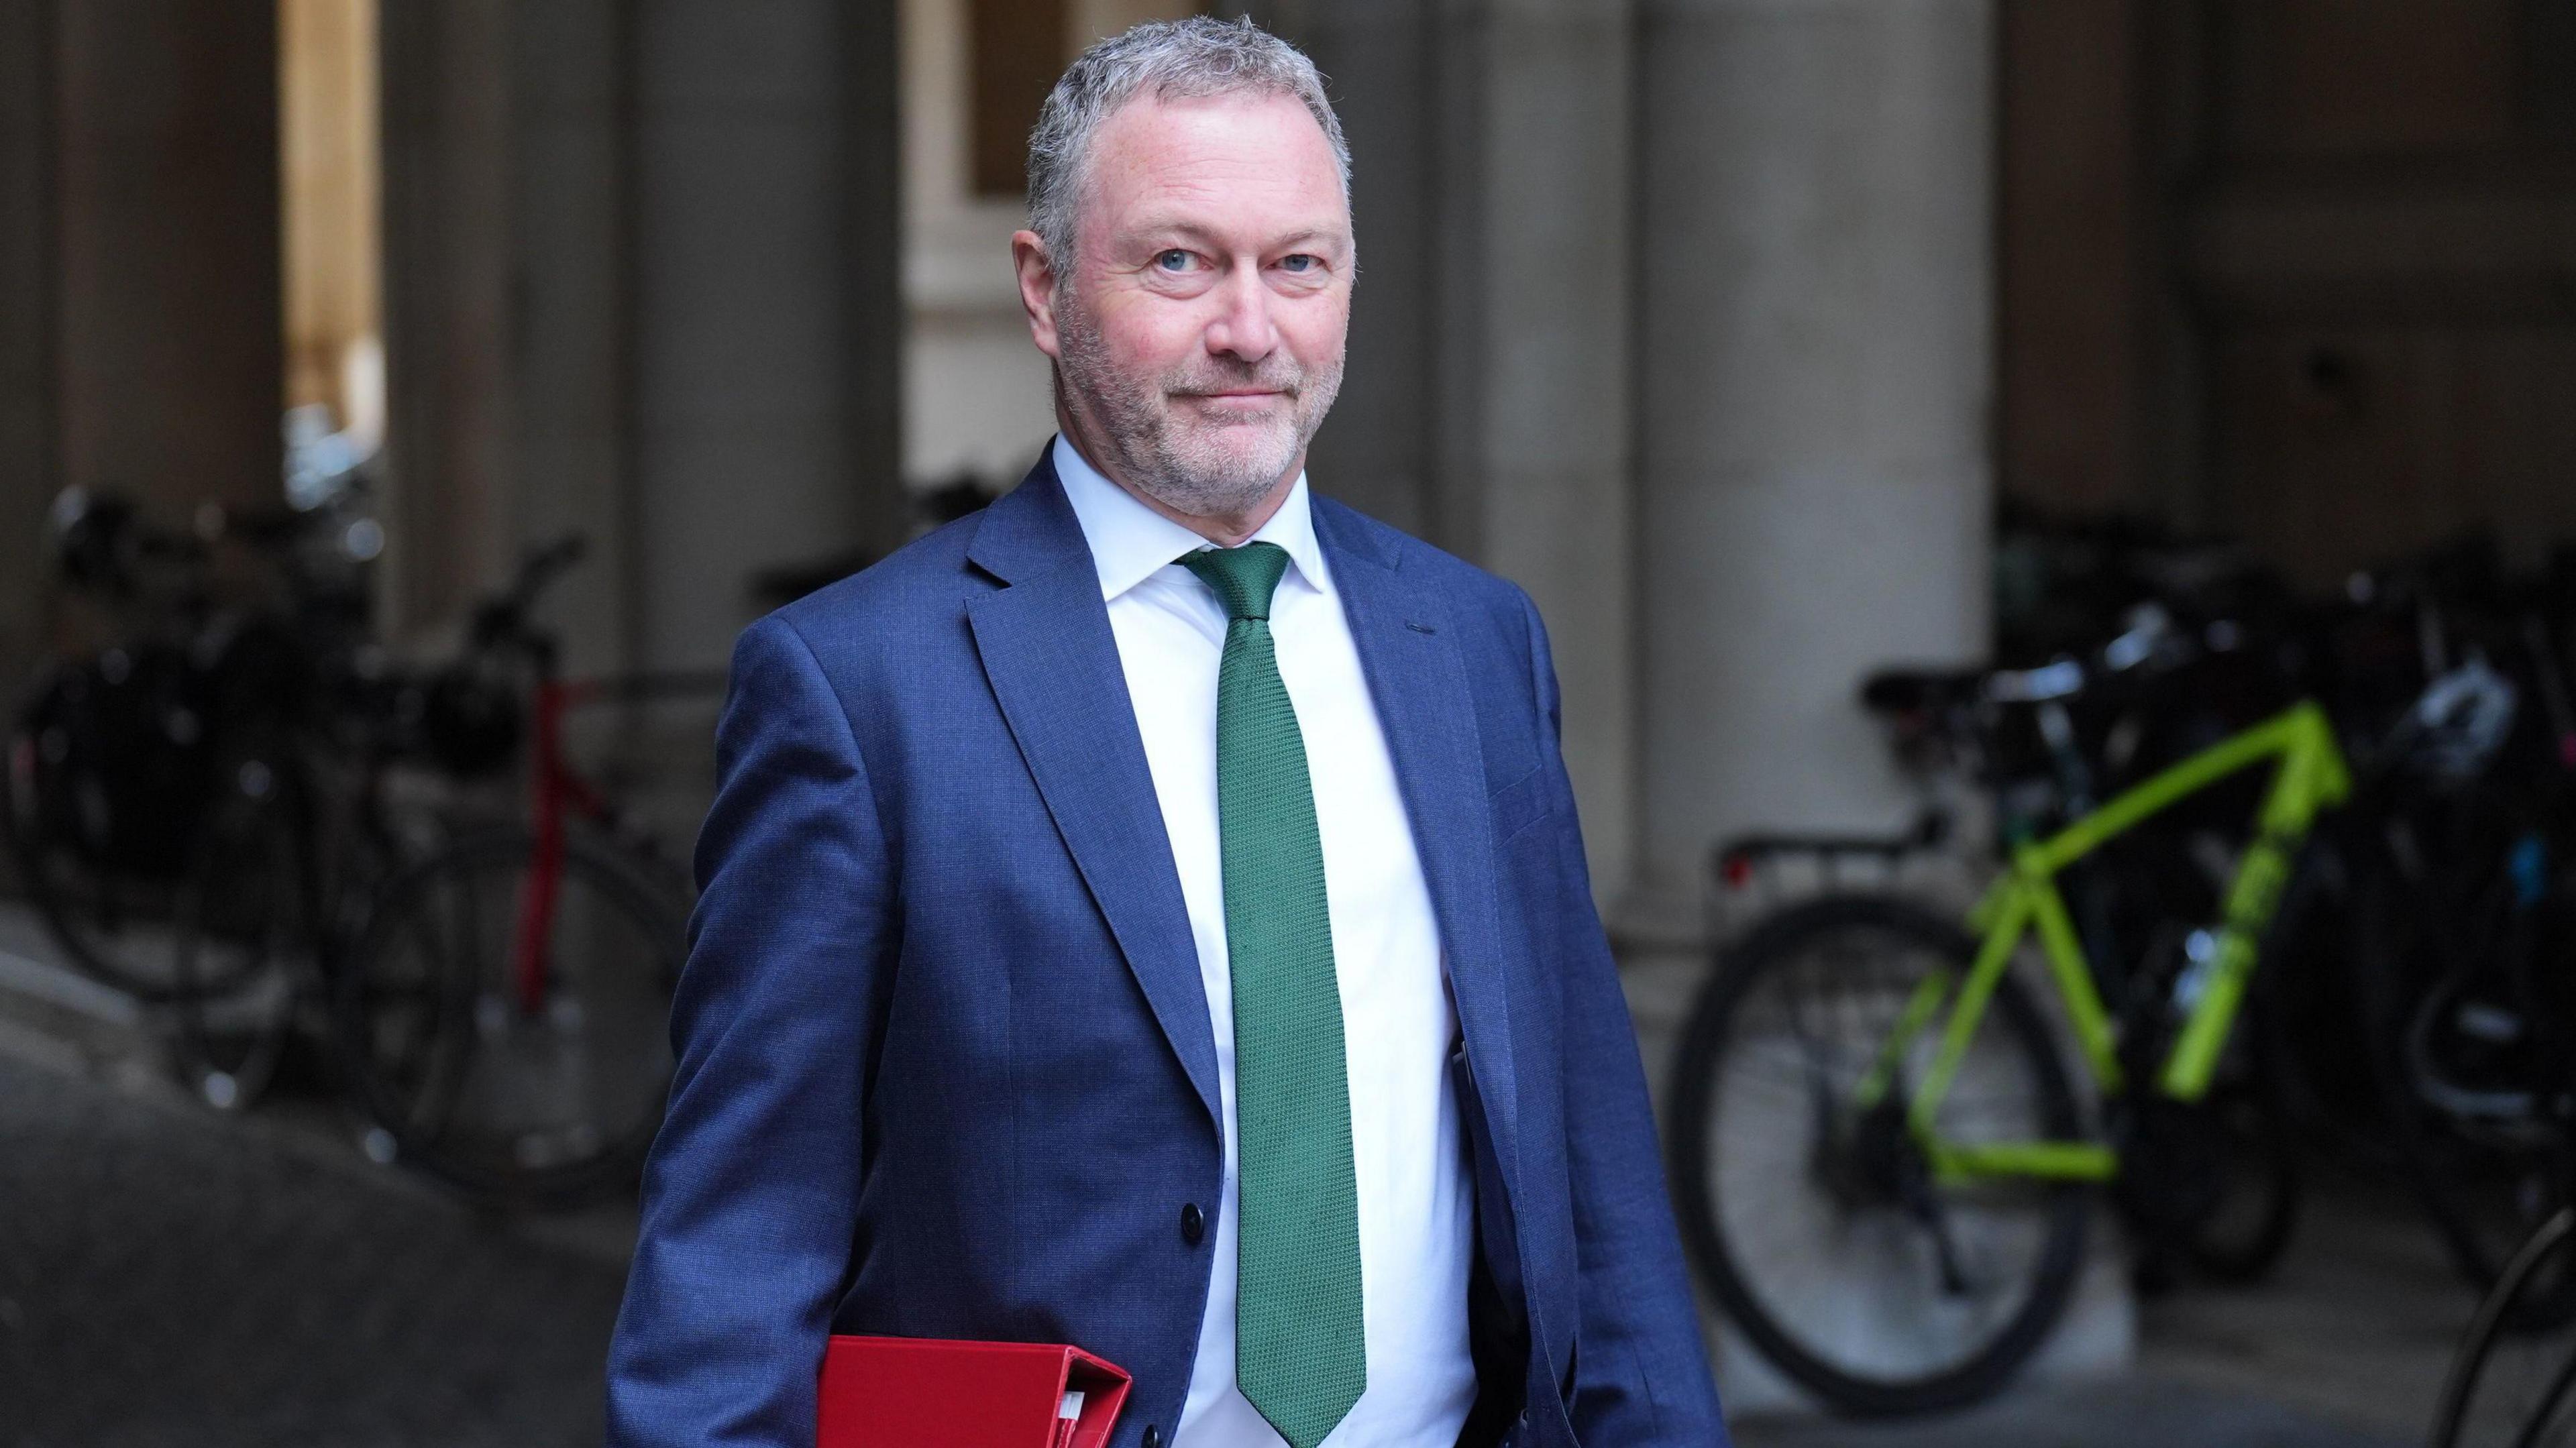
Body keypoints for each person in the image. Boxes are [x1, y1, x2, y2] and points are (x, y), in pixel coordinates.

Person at [604, 17, 1723, 1448]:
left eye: (1298, 264)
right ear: (1046, 288)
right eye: (1180, 262)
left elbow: (1592, 1176)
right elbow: (739, 1256)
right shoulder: (859, 690)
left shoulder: (1476, 646)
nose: (1250, 329)